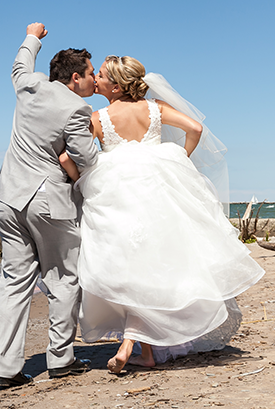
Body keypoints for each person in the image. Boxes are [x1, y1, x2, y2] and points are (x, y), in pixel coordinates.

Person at [60, 55, 264, 373]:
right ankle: (147, 352)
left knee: (130, 270)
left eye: (99, 76)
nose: (95, 79)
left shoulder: (97, 117)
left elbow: (66, 158)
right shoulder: (155, 107)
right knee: (154, 266)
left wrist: (78, 180)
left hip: (117, 194)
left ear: (114, 85)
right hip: (158, 191)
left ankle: (133, 343)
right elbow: (195, 127)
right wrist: (178, 158)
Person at [0, 22, 99, 388]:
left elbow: (19, 64)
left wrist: (32, 35)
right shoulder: (77, 109)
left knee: (13, 283)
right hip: (49, 202)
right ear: (74, 78)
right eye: (90, 73)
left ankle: (5, 369)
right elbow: (87, 161)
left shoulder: (29, 85)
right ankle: (61, 359)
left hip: (8, 198)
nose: (94, 78)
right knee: (64, 278)